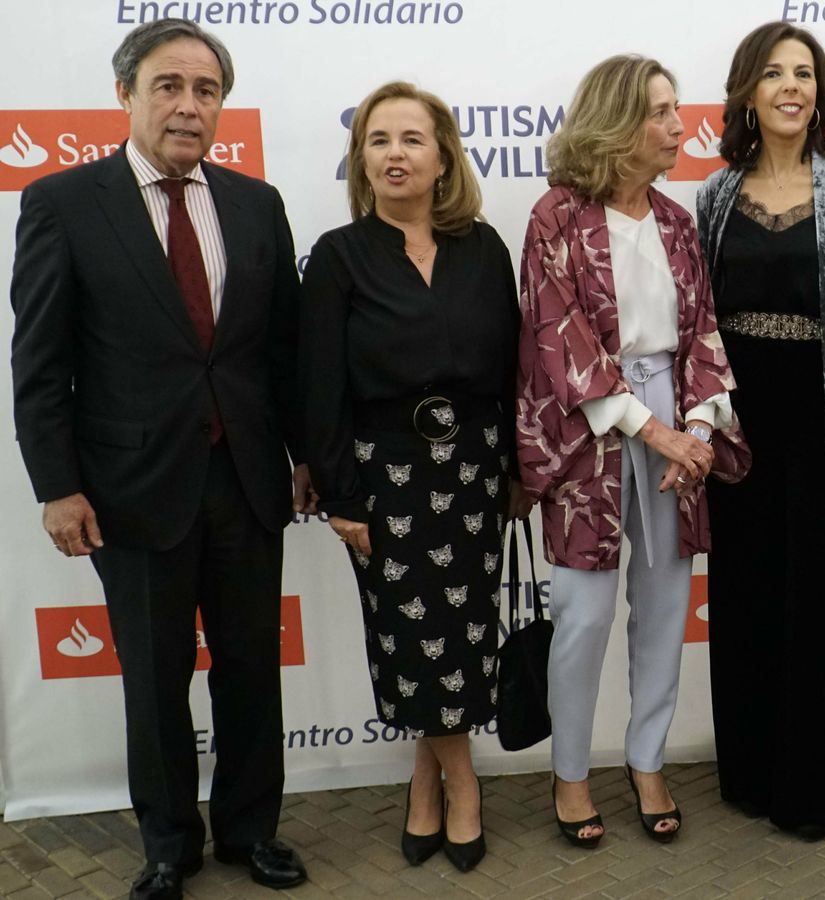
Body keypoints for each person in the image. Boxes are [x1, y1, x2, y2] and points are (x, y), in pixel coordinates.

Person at [9, 18, 310, 900]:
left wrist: (303, 456)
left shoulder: (257, 203)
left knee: (251, 669)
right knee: (154, 677)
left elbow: (282, 350)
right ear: (126, 95)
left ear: (221, 106)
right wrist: (58, 487)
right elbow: (41, 363)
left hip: (247, 481)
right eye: (168, 86)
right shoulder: (64, 202)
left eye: (205, 90)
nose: (188, 105)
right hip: (130, 489)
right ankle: (170, 844)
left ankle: (251, 832)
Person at [517, 53, 746, 849]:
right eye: (659, 111)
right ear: (615, 122)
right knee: (582, 616)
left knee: (665, 607)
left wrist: (701, 432)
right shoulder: (555, 216)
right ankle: (571, 774)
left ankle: (648, 760)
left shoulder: (678, 222)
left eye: (676, 108)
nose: (679, 126)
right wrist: (654, 431)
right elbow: (561, 341)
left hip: (677, 424)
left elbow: (704, 333)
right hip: (591, 434)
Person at [299, 81, 527, 872]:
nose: (394, 154)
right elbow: (320, 386)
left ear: (443, 158)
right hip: (385, 478)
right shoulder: (338, 257)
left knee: (464, 636)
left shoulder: (484, 248)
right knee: (409, 638)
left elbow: (514, 370)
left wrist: (518, 468)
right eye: (378, 140)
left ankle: (424, 784)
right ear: (361, 160)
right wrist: (340, 495)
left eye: (411, 139)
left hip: (476, 471)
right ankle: (463, 785)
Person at [695, 21, 825, 841]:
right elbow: (700, 323)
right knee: (741, 596)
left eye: (805, 74)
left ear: (820, 94)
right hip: (739, 424)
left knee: (812, 605)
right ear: (749, 91)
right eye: (775, 73)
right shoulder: (715, 195)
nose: (791, 87)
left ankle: (807, 793)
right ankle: (748, 775)